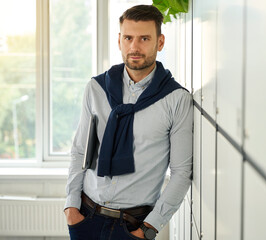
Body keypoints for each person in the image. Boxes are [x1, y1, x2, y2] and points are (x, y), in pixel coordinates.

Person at [64, 4, 193, 240]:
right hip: (86, 217)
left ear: (160, 42)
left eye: (144, 38)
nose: (135, 47)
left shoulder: (176, 99)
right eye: (128, 38)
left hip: (133, 228)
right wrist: (71, 208)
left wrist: (148, 229)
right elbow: (79, 151)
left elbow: (182, 172)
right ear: (119, 40)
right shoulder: (96, 88)